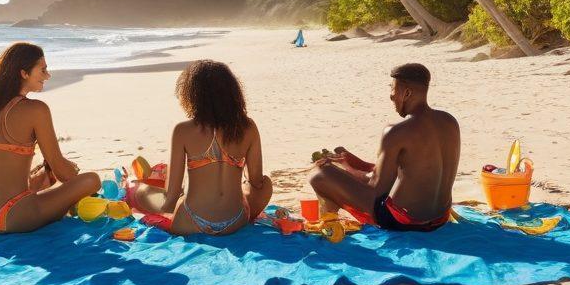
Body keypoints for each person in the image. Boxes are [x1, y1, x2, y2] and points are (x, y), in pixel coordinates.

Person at [308, 63, 458, 232]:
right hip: (440, 218)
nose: (391, 96)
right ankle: (331, 221)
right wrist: (354, 163)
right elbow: (409, 172)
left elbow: (376, 188)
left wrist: (345, 170)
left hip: (404, 221)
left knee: (320, 174)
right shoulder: (449, 121)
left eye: (393, 89)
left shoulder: (396, 131)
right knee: (337, 174)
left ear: (407, 93)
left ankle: (330, 224)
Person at [129, 60, 273, 236]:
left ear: (192, 95)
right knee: (266, 184)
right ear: (233, 93)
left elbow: (172, 196)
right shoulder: (248, 127)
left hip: (191, 222)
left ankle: (132, 188)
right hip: (236, 221)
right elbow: (257, 181)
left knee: (143, 191)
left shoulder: (183, 131)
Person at [0, 43, 101, 233]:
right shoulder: (36, 109)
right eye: (43, 69)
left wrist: (43, 176)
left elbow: (1, 169)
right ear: (24, 73)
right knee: (91, 180)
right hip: (14, 216)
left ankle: (41, 182)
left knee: (42, 177)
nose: (47, 75)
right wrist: (70, 170)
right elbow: (64, 174)